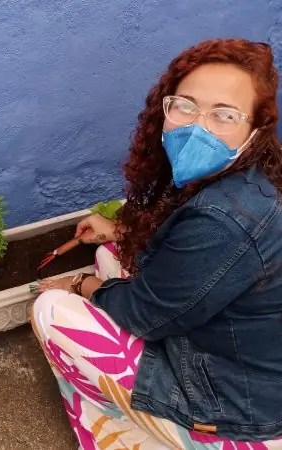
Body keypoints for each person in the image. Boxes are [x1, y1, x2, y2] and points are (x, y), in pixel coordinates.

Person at [33, 39, 282, 448]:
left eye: (224, 115)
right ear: (165, 108)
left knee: (51, 311)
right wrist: (119, 232)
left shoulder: (226, 219)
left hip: (233, 401)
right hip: (233, 346)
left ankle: (142, 435)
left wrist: (78, 285)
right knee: (109, 255)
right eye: (185, 106)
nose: (197, 127)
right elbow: (192, 253)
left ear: (254, 130)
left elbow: (143, 313)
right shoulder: (245, 180)